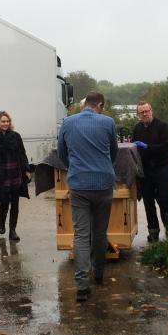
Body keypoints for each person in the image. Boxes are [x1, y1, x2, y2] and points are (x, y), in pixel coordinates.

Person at [57, 91, 118, 302]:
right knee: (100, 232)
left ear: (85, 104)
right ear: (99, 104)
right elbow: (114, 152)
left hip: (79, 184)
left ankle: (82, 286)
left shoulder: (67, 122)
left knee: (81, 235)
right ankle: (98, 274)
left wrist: (74, 166)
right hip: (103, 184)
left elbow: (62, 153)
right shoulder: (108, 122)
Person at [0, 111, 31, 242]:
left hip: (16, 173)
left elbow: (22, 154)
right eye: (3, 121)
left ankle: (12, 231)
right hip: (1, 175)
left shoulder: (16, 136)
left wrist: (27, 169)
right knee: (4, 202)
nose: (5, 123)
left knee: (15, 203)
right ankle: (1, 223)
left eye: (7, 121)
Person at [132, 102, 168, 243]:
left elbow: (166, 147)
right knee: (148, 202)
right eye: (141, 112)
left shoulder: (162, 127)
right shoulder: (137, 129)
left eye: (147, 111)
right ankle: (153, 232)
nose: (145, 114)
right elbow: (134, 148)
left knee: (164, 200)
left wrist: (147, 147)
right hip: (145, 171)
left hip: (161, 168)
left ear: (151, 111)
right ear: (138, 115)